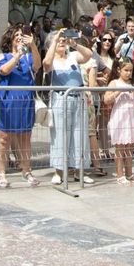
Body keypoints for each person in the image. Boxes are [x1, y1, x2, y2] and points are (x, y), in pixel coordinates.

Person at [44, 27, 93, 185]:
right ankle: (59, 171)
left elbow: (88, 55)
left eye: (63, 42)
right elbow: (46, 63)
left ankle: (80, 170)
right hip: (61, 99)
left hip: (78, 98)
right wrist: (55, 38)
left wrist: (74, 44)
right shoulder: (52, 59)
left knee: (80, 134)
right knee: (60, 135)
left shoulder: (72, 56)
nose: (62, 44)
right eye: (59, 42)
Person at [0, 25, 39, 188]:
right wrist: (18, 55)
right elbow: (4, 71)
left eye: (23, 35)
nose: (20, 37)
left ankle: (26, 170)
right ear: (10, 38)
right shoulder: (2, 56)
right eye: (17, 35)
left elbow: (38, 65)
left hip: (25, 100)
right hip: (8, 101)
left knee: (25, 137)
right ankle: (1, 172)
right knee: (4, 138)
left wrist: (32, 45)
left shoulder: (28, 57)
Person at [104, 58, 134, 184]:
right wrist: (118, 92)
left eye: (130, 70)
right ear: (119, 70)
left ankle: (129, 173)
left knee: (130, 146)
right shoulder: (114, 83)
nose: (128, 73)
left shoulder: (133, 84)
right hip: (120, 116)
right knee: (120, 147)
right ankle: (120, 174)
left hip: (132, 116)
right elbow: (106, 99)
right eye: (126, 70)